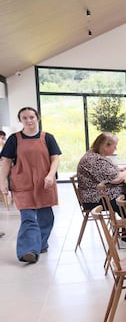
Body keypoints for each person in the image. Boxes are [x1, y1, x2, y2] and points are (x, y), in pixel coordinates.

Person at [0, 107, 62, 264]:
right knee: (28, 218)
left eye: (31, 117)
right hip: (22, 183)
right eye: (24, 118)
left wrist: (50, 175)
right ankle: (29, 250)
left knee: (46, 217)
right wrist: (2, 183)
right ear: (20, 120)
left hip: (44, 183)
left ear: (37, 118)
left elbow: (55, 159)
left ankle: (40, 244)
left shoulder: (48, 137)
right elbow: (6, 162)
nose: (29, 121)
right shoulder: (14, 139)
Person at [77, 132, 126, 218]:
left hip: (103, 194)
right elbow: (115, 179)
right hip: (96, 198)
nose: (116, 149)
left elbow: (107, 173)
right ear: (105, 146)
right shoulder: (94, 160)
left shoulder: (95, 155)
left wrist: (119, 170)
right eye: (114, 146)